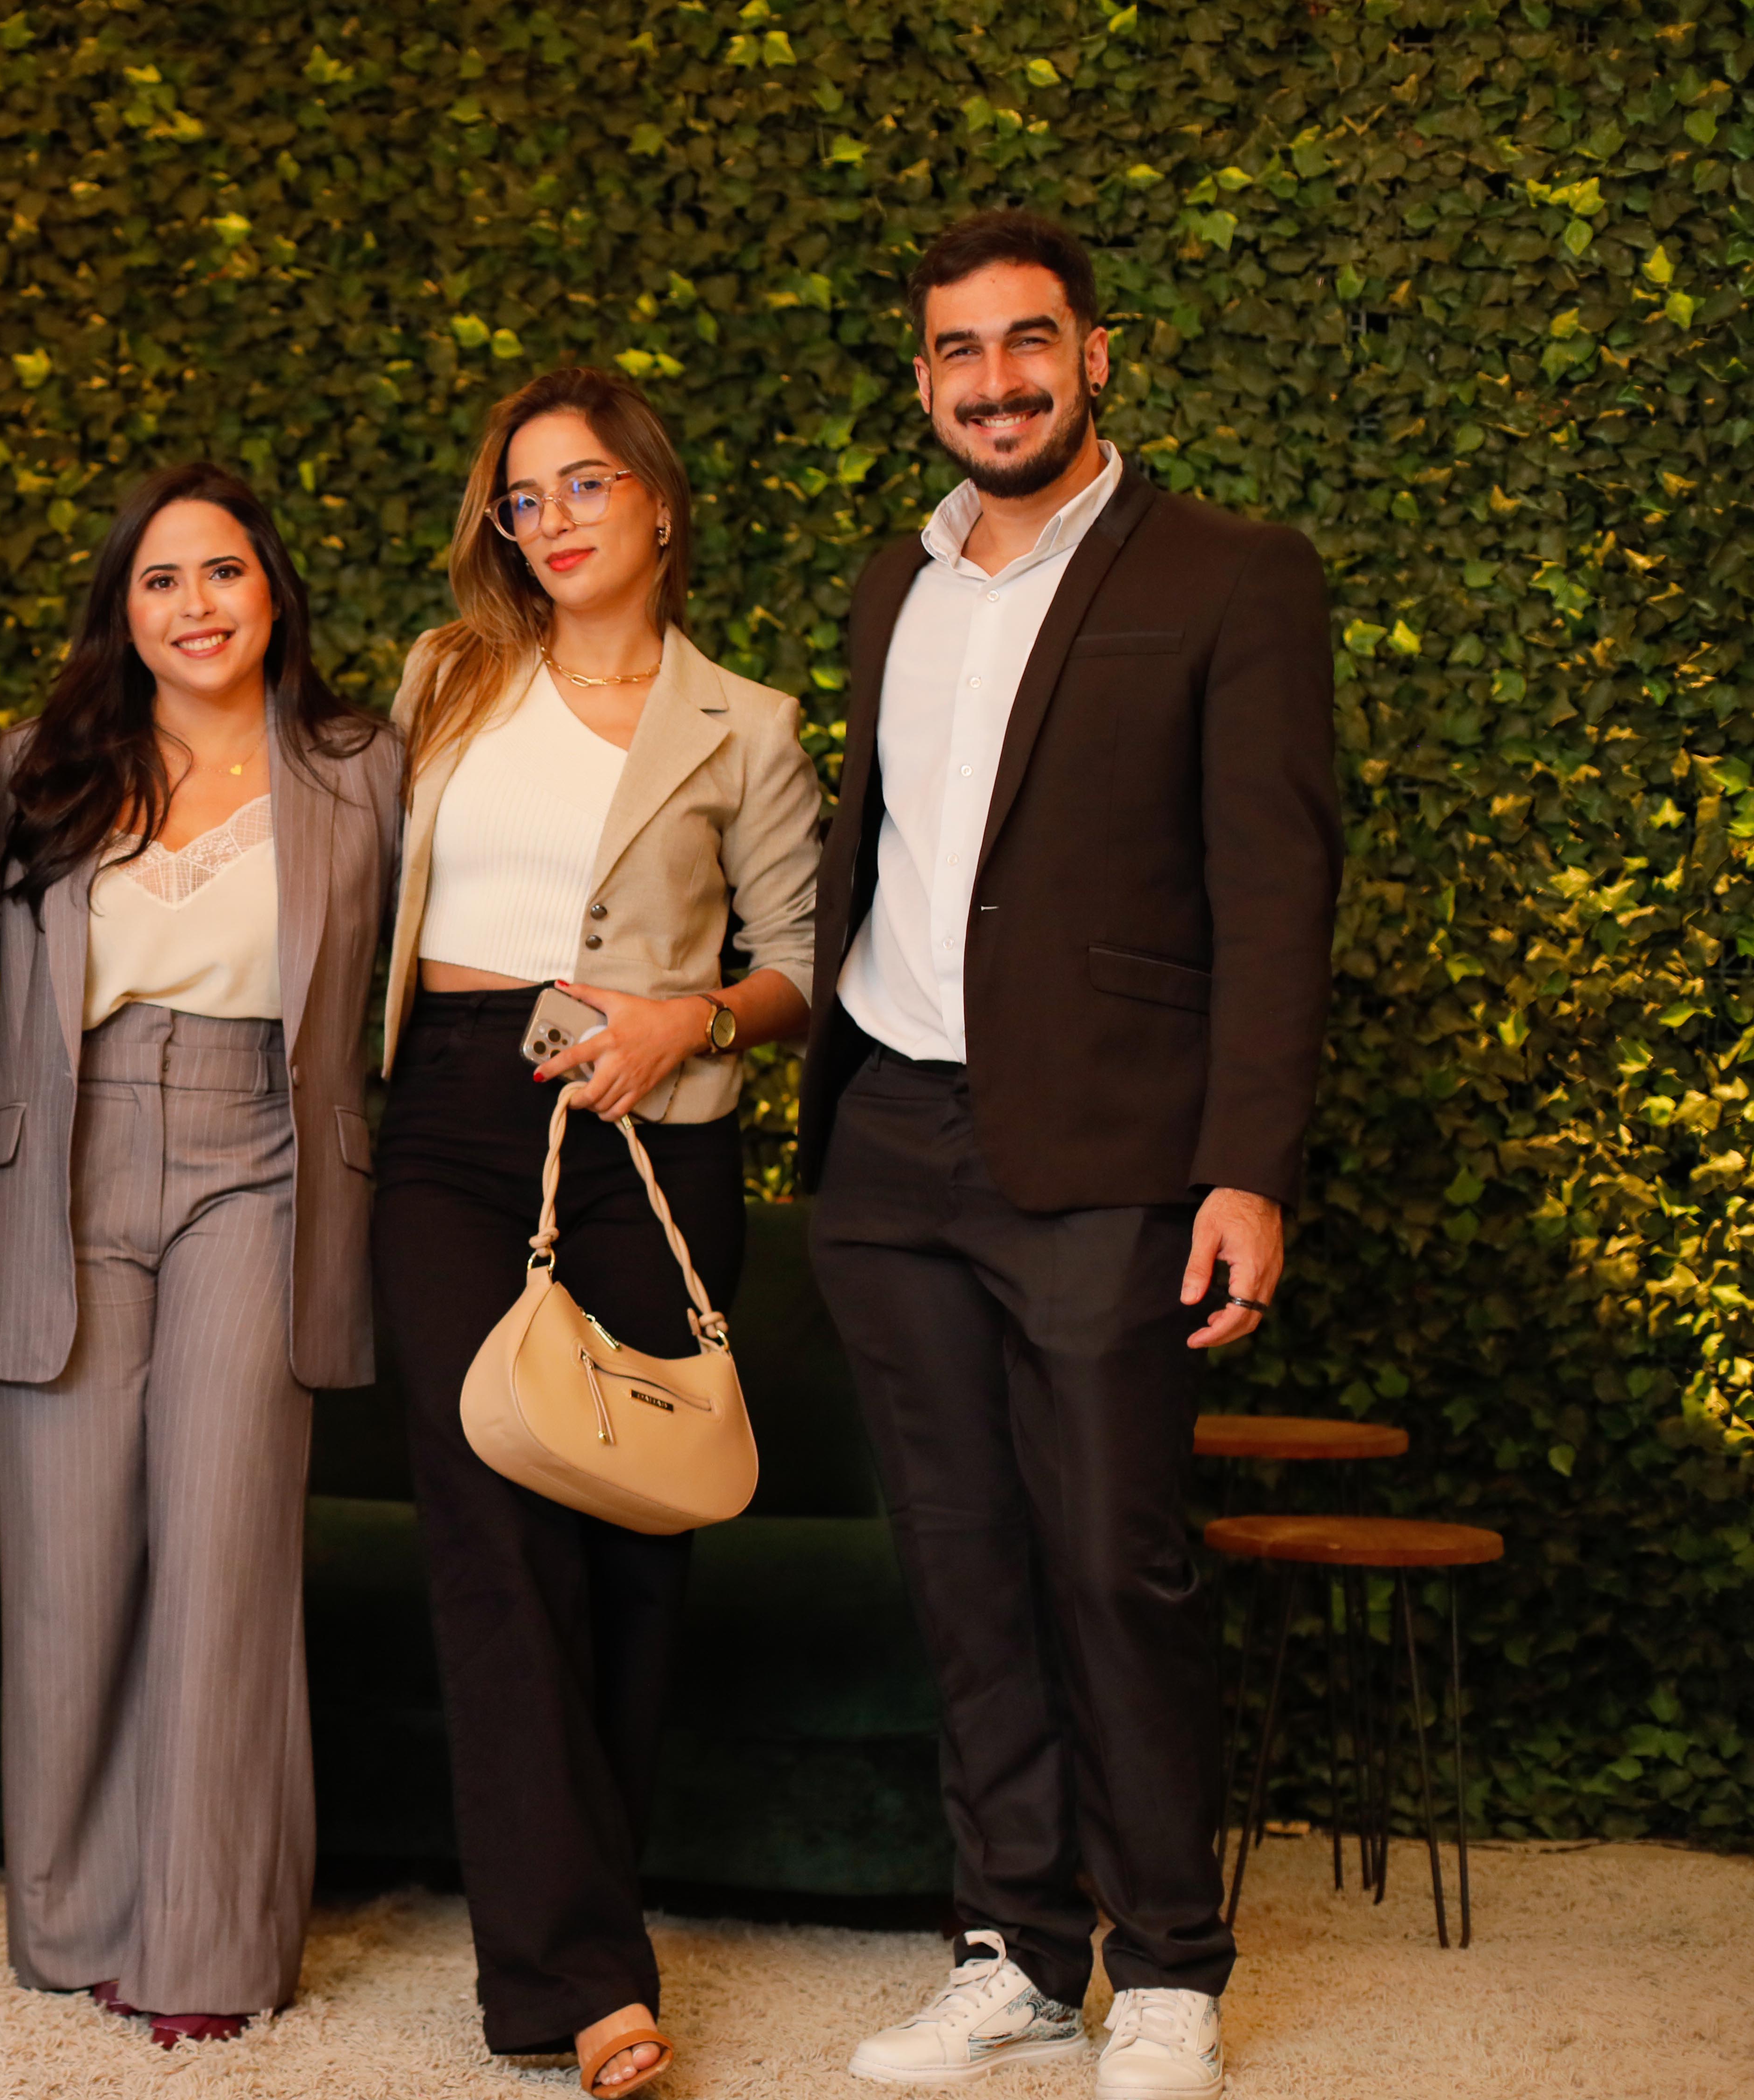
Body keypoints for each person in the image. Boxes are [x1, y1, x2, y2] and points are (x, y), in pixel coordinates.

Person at [805, 210, 1339, 2100]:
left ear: (1095, 355)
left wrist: (1248, 1165)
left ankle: (1171, 1965)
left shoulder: (1231, 574)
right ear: (924, 378)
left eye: (1030, 341)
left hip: (1110, 1146)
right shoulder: (892, 583)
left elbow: (1276, 893)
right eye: (960, 351)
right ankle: (1016, 1951)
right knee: (963, 1571)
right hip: (892, 1136)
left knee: (1115, 1563)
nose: (997, 380)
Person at [371, 367, 823, 2099]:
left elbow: (801, 967)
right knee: (491, 1525)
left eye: (582, 486)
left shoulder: (747, 725)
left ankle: (580, 1935)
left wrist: (684, 1019)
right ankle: (583, 1983)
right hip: (447, 1121)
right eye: (523, 497)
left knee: (635, 1547)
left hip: (646, 1131)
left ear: (658, 500)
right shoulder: (448, 677)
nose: (549, 521)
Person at [0, 464, 400, 2047]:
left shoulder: (363, 767)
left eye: (222, 572)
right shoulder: (42, 765)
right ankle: (74, 1919)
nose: (195, 605)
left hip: (262, 1157)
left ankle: (207, 1949)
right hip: (64, 1166)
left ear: (273, 589)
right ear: (122, 611)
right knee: (68, 1568)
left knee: (223, 1550)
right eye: (160, 580)